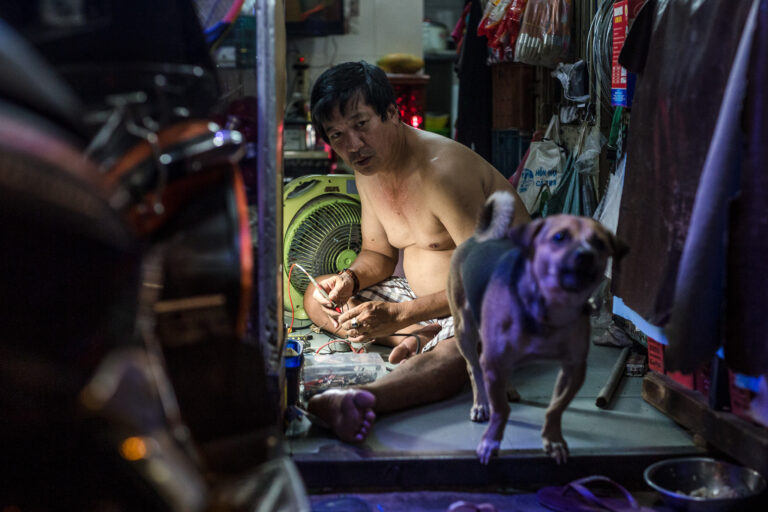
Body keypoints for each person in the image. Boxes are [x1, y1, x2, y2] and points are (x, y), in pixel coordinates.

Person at [302, 61, 531, 443]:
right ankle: (421, 336)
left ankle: (361, 399)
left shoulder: (442, 172)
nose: (353, 145)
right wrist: (350, 279)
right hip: (425, 303)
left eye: (361, 125)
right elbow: (378, 253)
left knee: (461, 349)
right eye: (337, 135)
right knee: (316, 295)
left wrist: (398, 314)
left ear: (392, 113)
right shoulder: (368, 169)